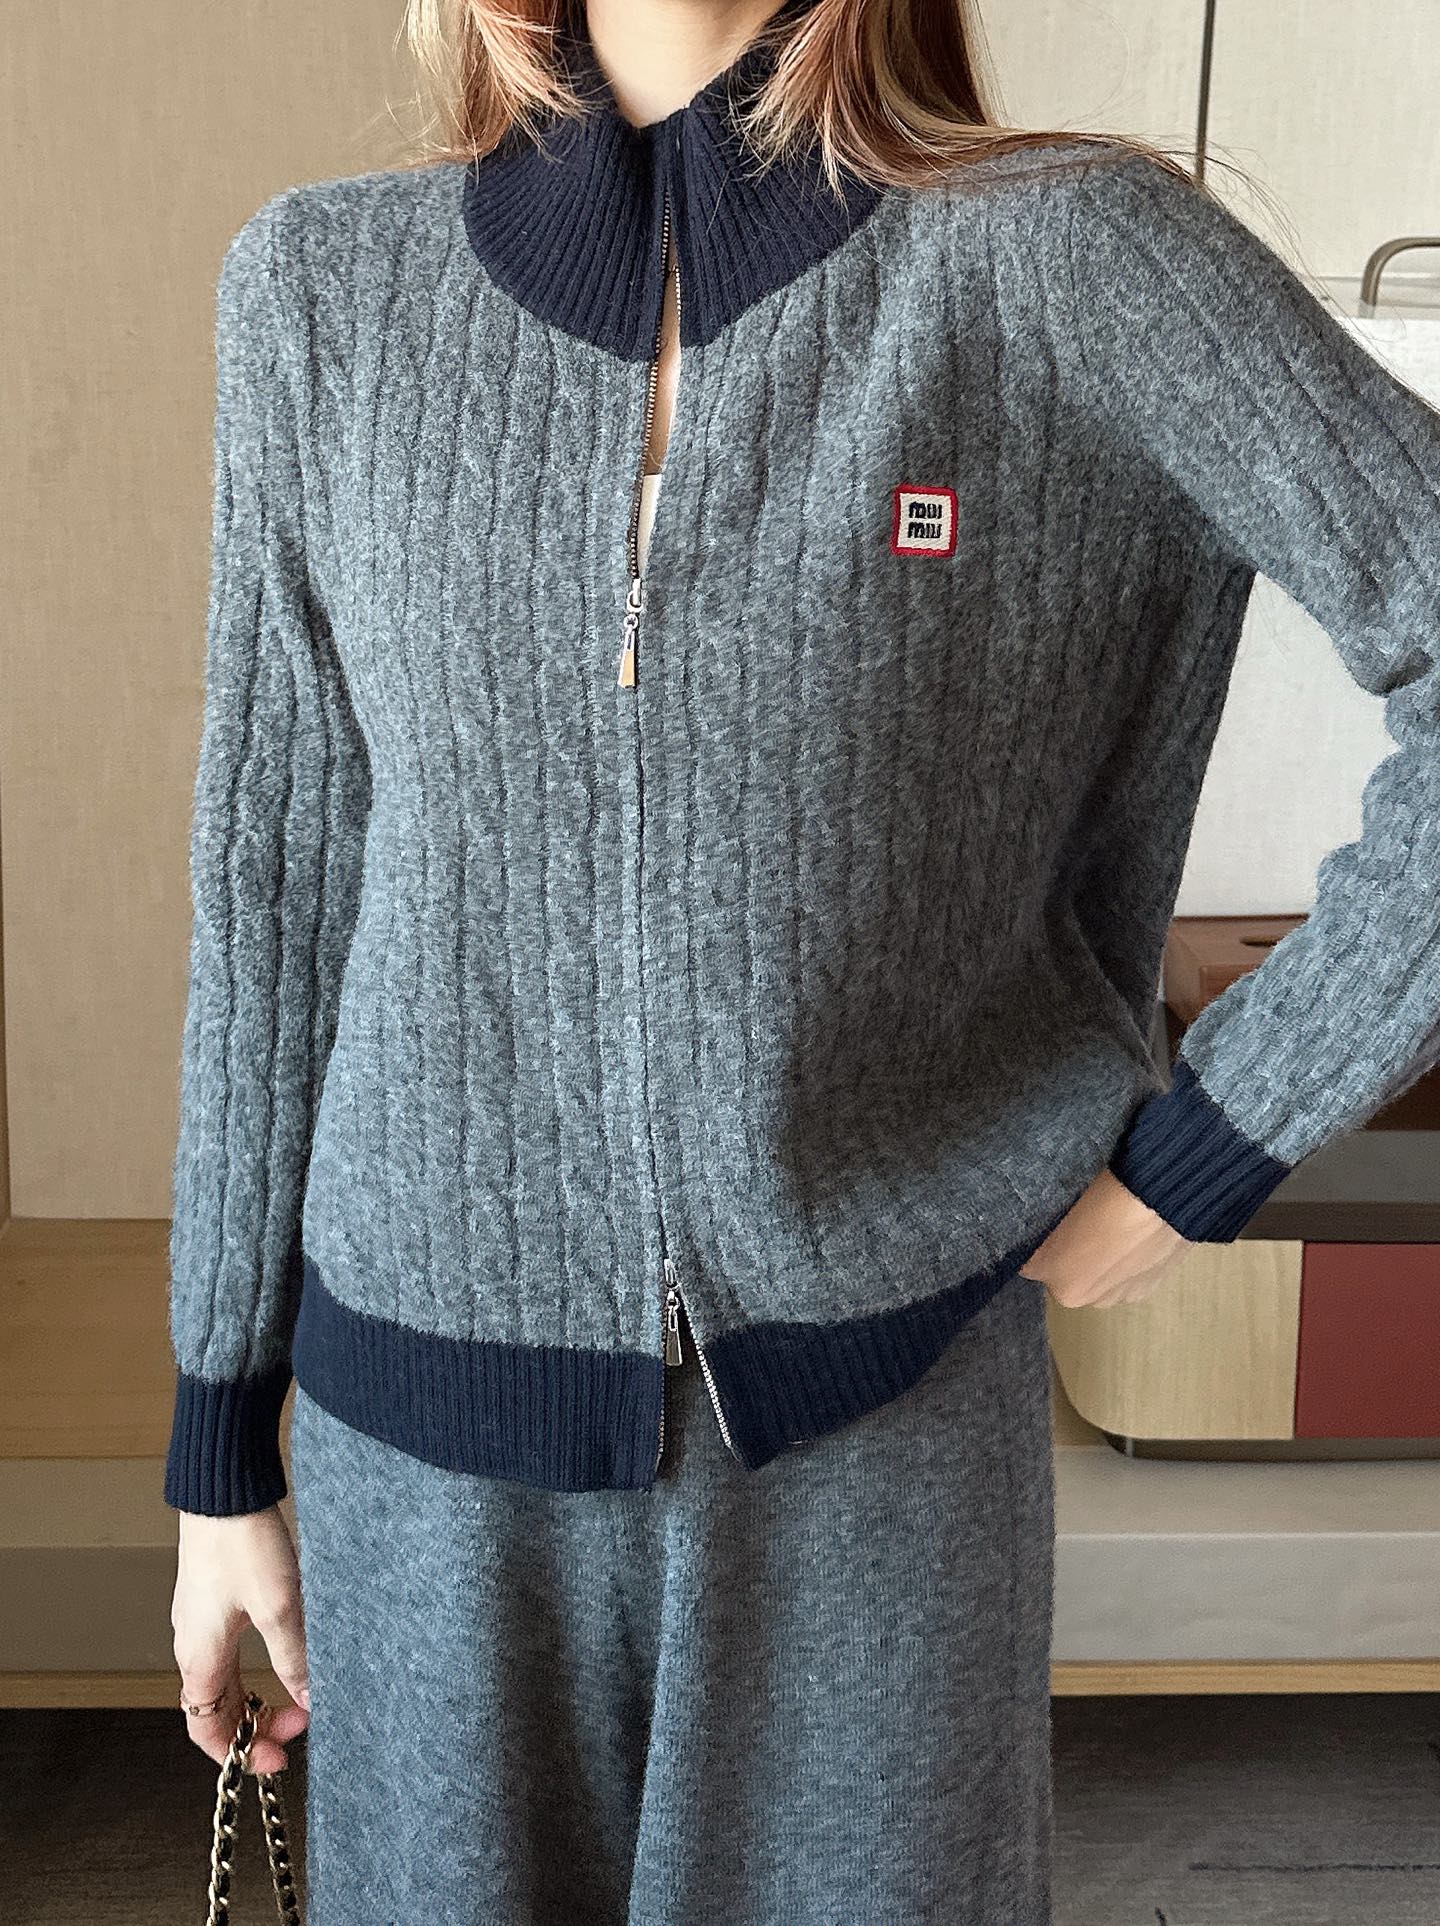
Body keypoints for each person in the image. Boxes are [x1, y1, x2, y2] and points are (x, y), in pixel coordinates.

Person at [164, 1, 1440, 1919]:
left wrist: (1211, 1146)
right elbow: (275, 879)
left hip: (882, 1448)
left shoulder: (1067, 259)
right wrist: (216, 1441)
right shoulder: (320, 293)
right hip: (418, 1470)